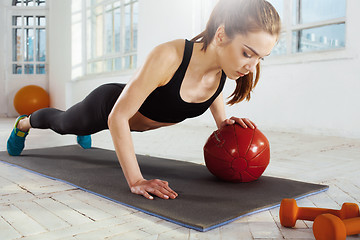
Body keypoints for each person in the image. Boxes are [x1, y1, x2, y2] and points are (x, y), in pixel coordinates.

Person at [7, 0, 281, 200]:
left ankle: (81, 134)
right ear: (221, 35)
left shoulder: (221, 69)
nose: (252, 65)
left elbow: (212, 88)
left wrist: (223, 123)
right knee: (65, 123)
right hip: (107, 106)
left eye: (260, 58)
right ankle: (25, 123)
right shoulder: (169, 56)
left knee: (78, 128)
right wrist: (136, 180)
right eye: (248, 54)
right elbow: (118, 118)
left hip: (129, 119)